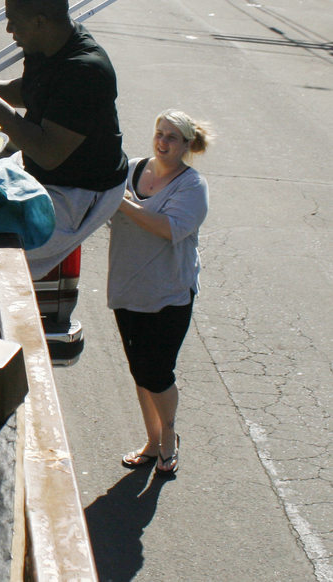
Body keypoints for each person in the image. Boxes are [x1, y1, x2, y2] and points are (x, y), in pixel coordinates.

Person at [0, 0, 129, 277]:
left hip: (79, 192)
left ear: (40, 21)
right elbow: (29, 91)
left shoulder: (86, 70)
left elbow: (47, 154)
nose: (9, 29)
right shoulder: (46, 46)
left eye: (13, 20)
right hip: (44, 170)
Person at [112, 109, 211, 476]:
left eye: (172, 137)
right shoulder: (133, 170)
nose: (163, 141)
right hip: (127, 286)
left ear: (187, 145)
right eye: (159, 132)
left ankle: (169, 437)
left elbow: (169, 228)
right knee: (140, 370)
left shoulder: (192, 186)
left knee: (157, 370)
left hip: (169, 292)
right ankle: (151, 443)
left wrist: (121, 201)